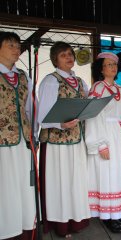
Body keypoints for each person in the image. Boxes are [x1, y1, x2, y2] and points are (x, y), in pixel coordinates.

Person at [38, 41, 90, 238]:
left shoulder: (80, 81)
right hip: (56, 143)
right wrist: (61, 124)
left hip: (75, 139)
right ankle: (60, 224)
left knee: (74, 181)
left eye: (70, 53)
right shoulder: (50, 81)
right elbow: (43, 116)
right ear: (55, 60)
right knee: (59, 182)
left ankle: (75, 219)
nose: (69, 57)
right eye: (63, 55)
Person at [85, 52, 121, 233]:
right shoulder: (98, 88)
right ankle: (107, 215)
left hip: (119, 134)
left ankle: (117, 211)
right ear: (101, 68)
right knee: (107, 173)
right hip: (105, 133)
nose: (113, 67)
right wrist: (100, 144)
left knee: (118, 173)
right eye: (109, 64)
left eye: (114, 64)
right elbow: (92, 117)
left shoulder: (119, 88)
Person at [0, 31, 37, 240]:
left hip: (23, 139)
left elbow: (31, 108)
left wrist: (34, 133)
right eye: (10, 45)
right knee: (4, 185)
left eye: (17, 45)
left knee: (23, 184)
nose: (16, 49)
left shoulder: (23, 76)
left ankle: (24, 227)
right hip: (2, 141)